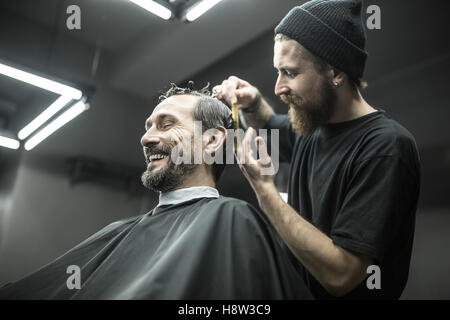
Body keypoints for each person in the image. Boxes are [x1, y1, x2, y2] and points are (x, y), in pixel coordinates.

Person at [0, 83, 312, 300]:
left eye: (165, 124)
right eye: (148, 126)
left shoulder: (232, 220)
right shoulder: (117, 232)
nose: (146, 138)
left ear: (213, 141)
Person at [214, 0, 420, 299]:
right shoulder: (313, 127)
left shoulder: (385, 148)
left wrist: (265, 191)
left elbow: (342, 274)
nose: (278, 87)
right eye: (278, 71)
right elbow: (270, 124)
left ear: (335, 72)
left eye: (290, 73)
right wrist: (253, 101)